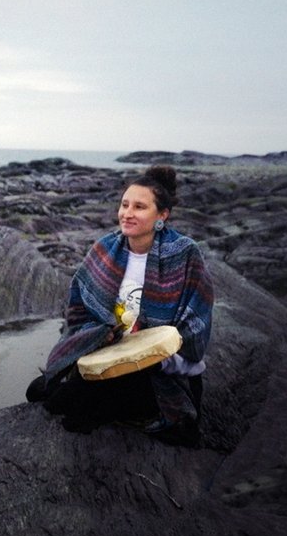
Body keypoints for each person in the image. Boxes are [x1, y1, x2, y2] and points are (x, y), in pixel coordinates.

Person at [32, 165, 214, 446]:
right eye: (124, 204)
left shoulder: (185, 253)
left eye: (140, 207)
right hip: (111, 354)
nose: (127, 213)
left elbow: (197, 320)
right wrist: (99, 334)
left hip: (159, 369)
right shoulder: (105, 249)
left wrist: (154, 350)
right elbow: (78, 310)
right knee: (42, 394)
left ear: (162, 215)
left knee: (73, 410)